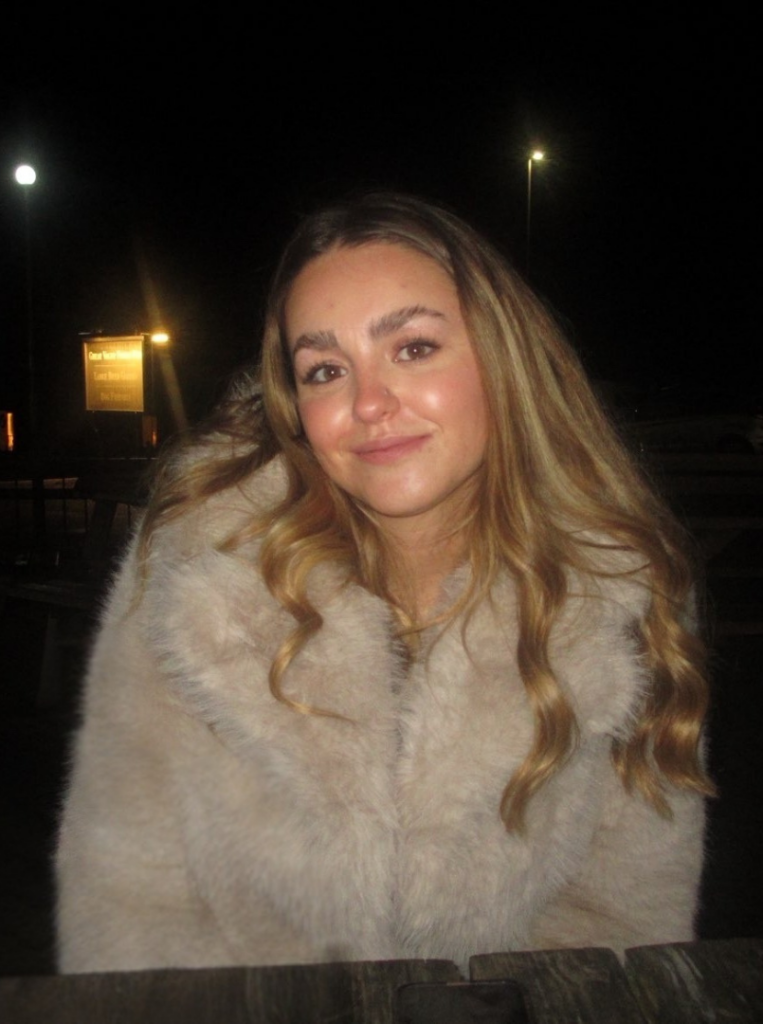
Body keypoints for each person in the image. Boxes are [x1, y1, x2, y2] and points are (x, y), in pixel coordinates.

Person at [56, 192, 714, 974]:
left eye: (413, 348)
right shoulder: (199, 567)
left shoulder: (613, 588)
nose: (368, 404)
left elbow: (624, 916)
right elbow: (125, 892)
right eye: (325, 370)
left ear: (502, 359)